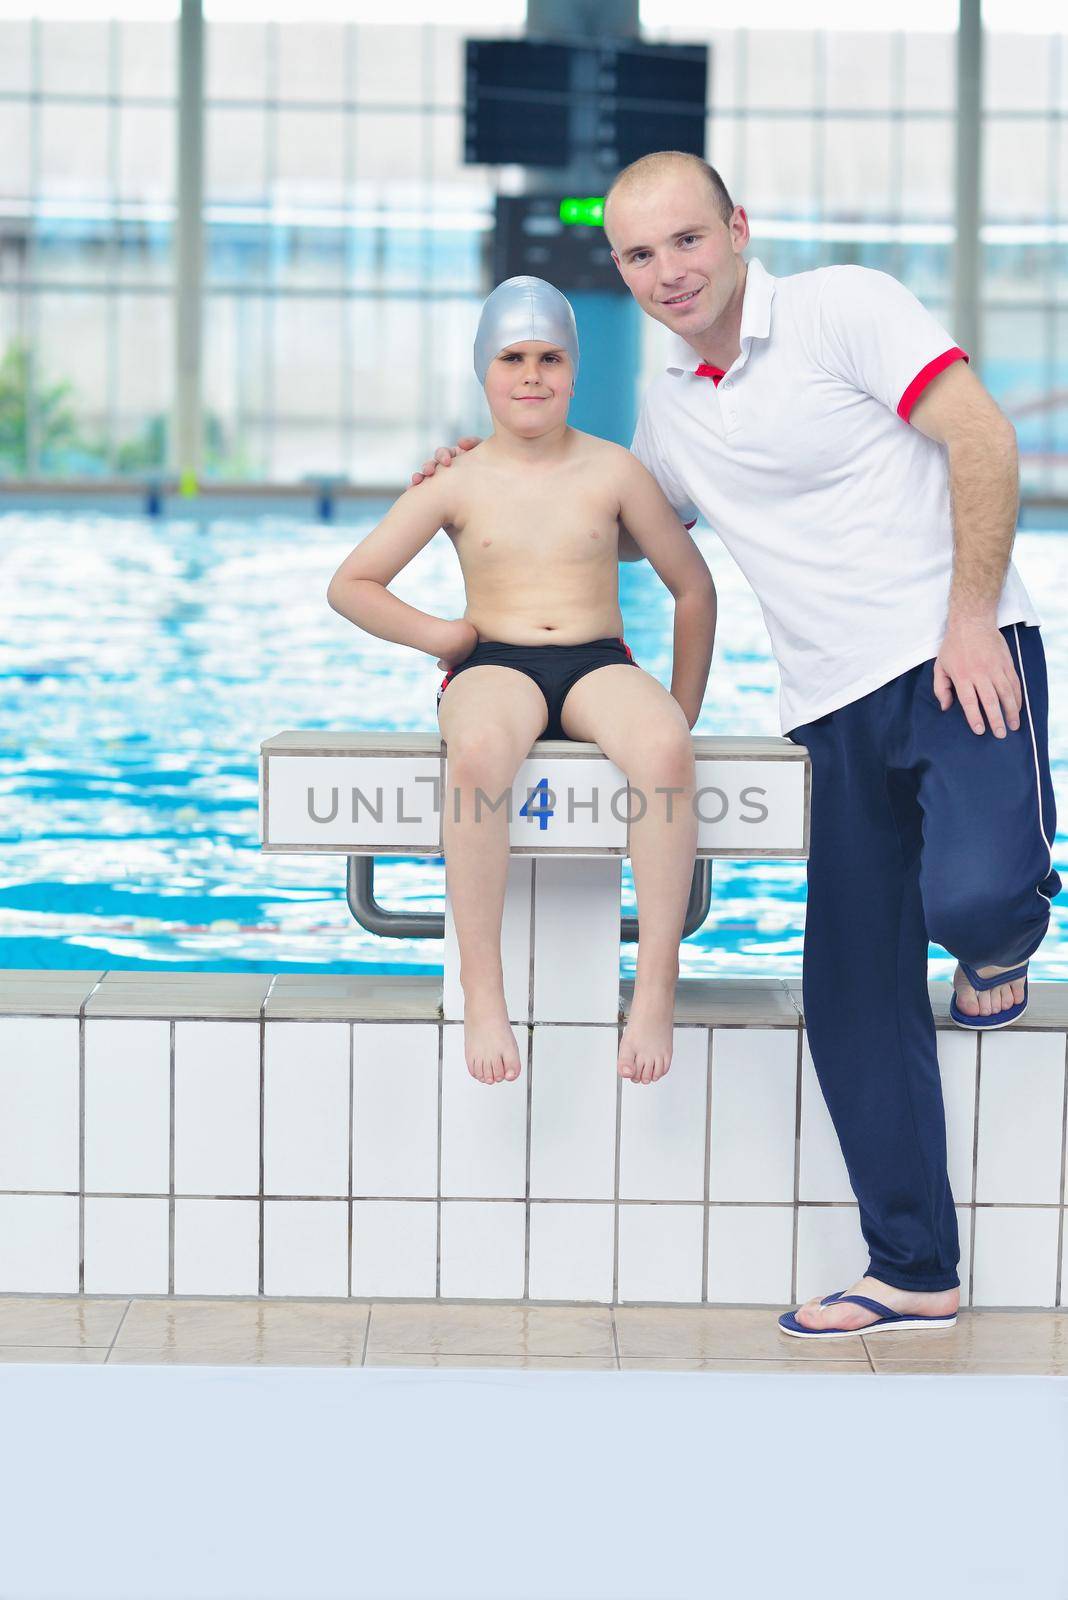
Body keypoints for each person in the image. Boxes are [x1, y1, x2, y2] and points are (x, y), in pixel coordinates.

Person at [412, 152, 1060, 1340]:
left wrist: (971, 617)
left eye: (688, 241)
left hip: (962, 648)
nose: (669, 271)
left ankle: (998, 951)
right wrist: (485, 490)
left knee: (976, 896)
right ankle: (914, 1266)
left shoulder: (843, 309)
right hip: (830, 703)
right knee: (850, 989)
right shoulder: (669, 405)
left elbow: (981, 440)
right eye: (640, 255)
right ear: (619, 268)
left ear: (739, 229)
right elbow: (610, 528)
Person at [327, 274, 716, 1089]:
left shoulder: (613, 472)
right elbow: (352, 583)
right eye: (513, 358)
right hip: (494, 663)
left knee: (663, 749)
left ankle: (652, 988)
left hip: (597, 660)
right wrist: (445, 635)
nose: (532, 375)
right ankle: (483, 990)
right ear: (484, 372)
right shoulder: (456, 480)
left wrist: (679, 711)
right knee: (475, 757)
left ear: (575, 371)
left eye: (549, 358)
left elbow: (693, 587)